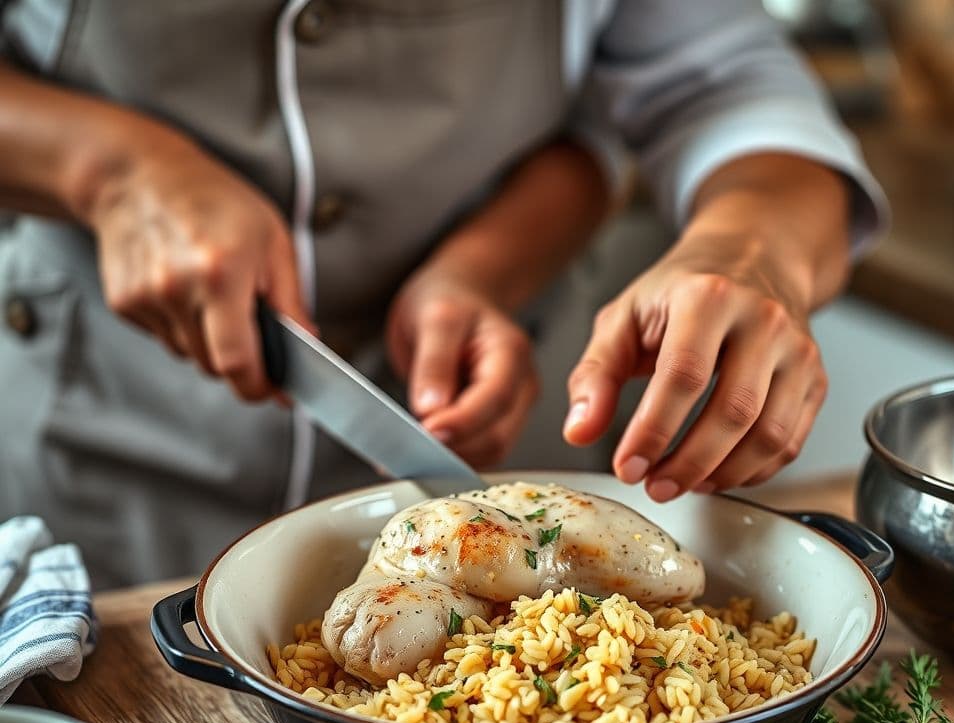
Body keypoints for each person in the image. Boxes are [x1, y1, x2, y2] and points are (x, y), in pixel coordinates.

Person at [0, 1, 885, 589]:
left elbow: (717, 81)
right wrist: (105, 168)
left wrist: (753, 249)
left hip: (510, 420)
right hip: (107, 449)